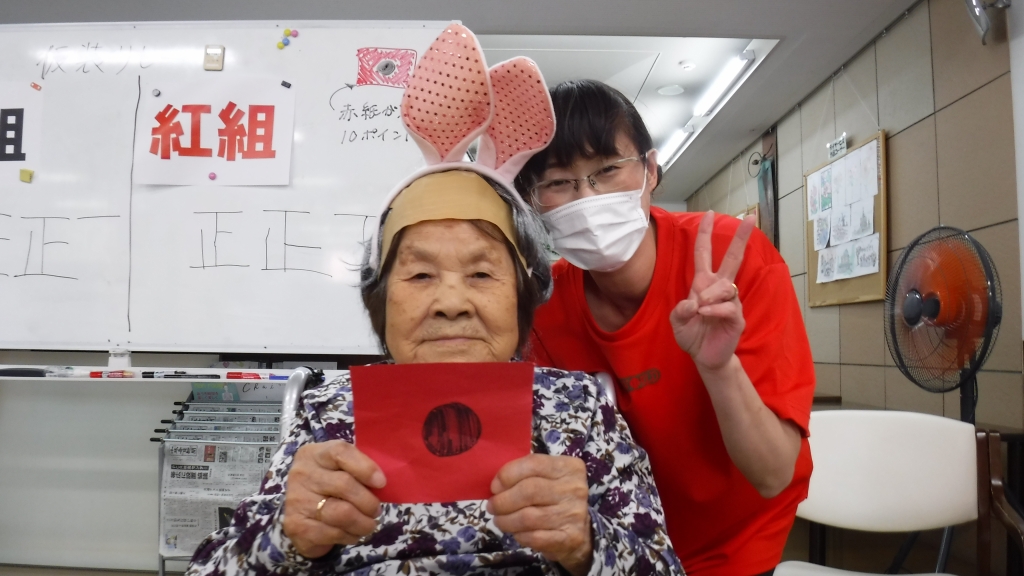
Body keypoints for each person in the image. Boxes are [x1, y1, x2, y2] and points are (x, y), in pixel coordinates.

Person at [186, 26, 681, 576]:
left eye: (482, 273)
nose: (451, 303)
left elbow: (663, 566)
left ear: (522, 299)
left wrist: (588, 544)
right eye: (420, 274)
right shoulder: (328, 413)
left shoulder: (580, 410)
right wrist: (287, 537)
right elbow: (210, 567)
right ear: (380, 299)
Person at [515, 79, 815, 576]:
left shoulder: (731, 263)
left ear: (651, 170)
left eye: (607, 170)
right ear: (534, 200)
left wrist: (718, 367)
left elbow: (772, 474)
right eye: (559, 182)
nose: (587, 197)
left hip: (735, 541)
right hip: (619, 542)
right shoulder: (543, 310)